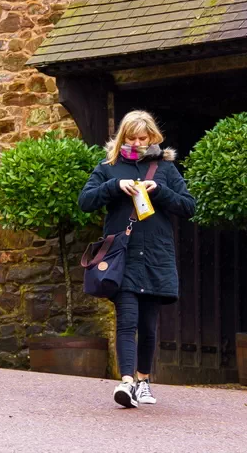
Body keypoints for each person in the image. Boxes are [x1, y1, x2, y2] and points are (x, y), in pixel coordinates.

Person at [78, 110, 195, 408]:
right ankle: (127, 381)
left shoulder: (166, 169)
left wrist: (162, 192)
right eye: (132, 138)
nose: (138, 143)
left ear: (153, 138)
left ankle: (143, 380)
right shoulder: (109, 167)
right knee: (127, 320)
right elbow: (85, 201)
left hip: (156, 255)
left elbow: (188, 206)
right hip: (123, 256)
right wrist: (113, 187)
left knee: (149, 322)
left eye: (144, 138)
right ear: (122, 138)